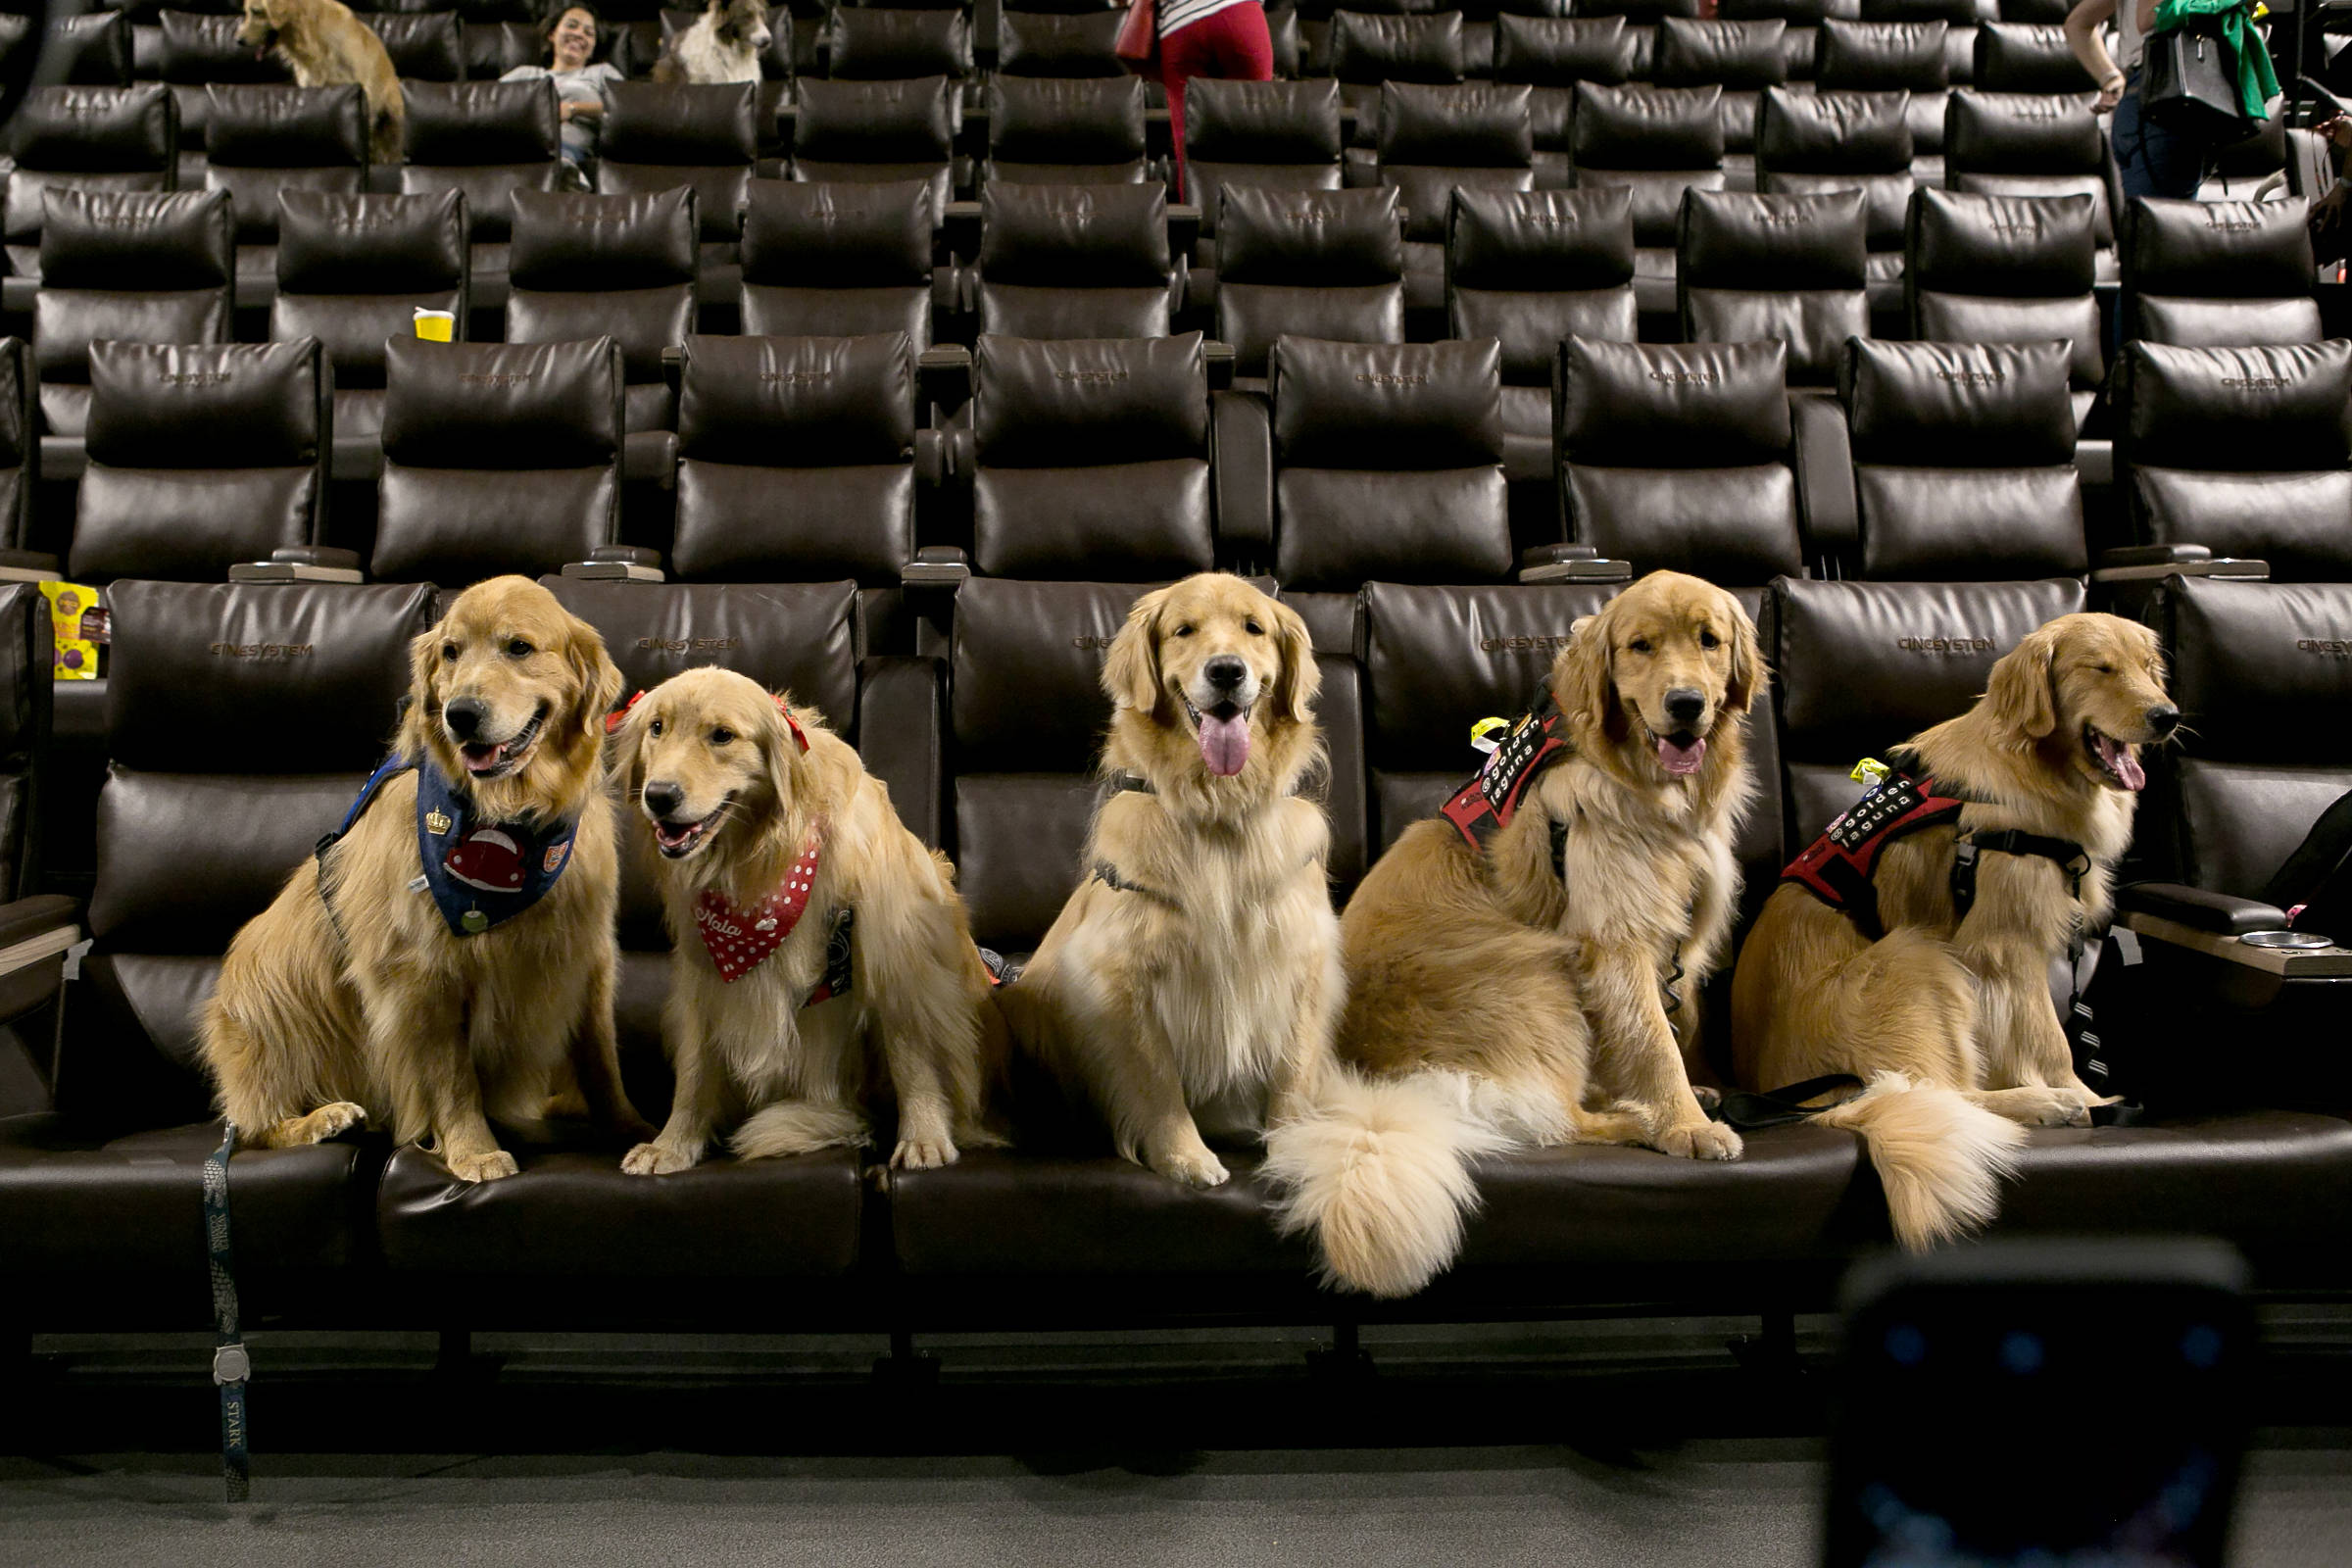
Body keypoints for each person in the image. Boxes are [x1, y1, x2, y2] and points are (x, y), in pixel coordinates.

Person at [2066, 0, 2204, 200]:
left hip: (2136, 104)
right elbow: (2149, 17)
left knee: (2144, 222)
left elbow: (2078, 23)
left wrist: (2110, 78)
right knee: (2159, 226)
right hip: (2165, 106)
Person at [1156, 0, 1273, 205]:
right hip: (1237, 11)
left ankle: (1196, 226)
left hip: (1179, 26)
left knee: (1187, 136)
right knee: (1257, 125)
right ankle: (1257, 223)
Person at [501, 3, 623, 183]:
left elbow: (628, 110)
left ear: (593, 48)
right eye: (572, 25)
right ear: (552, 34)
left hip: (571, 150)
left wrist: (573, 109)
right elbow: (486, 105)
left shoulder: (601, 73)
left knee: (560, 164)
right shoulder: (526, 74)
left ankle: (564, 174)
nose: (580, 34)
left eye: (589, 33)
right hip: (522, 147)